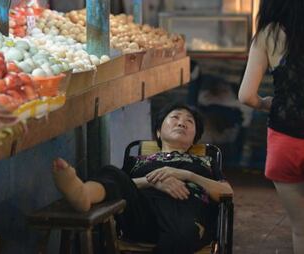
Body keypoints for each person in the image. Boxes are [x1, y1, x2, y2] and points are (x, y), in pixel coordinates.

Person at [52, 104, 233, 253]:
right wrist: (152, 181)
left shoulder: (204, 162)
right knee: (113, 173)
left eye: (189, 121)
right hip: (142, 215)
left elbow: (226, 193)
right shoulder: (139, 161)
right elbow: (123, 188)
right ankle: (83, 194)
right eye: (175, 118)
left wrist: (187, 175)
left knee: (182, 233)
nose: (182, 123)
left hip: (185, 211)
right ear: (158, 133)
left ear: (194, 138)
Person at [238, 1, 304, 253]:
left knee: (300, 228)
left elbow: (246, 96)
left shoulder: (268, 34)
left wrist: (266, 103)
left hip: (285, 139)